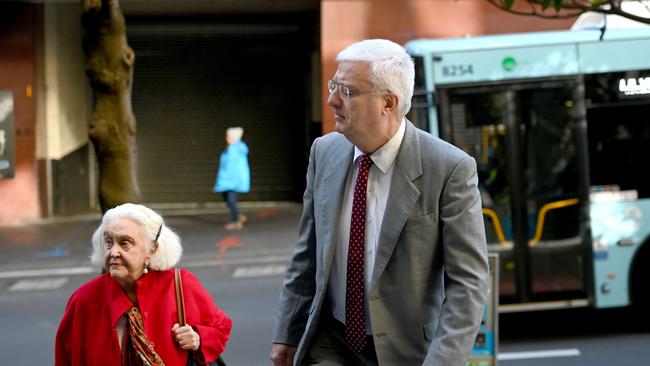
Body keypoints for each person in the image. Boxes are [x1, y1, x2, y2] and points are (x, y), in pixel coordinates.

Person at [270, 39, 488, 365]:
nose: (331, 100)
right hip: (331, 342)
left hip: (407, 351)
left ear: (388, 102)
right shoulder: (324, 152)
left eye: (347, 92)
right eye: (333, 86)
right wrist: (287, 331)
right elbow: (307, 254)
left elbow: (468, 284)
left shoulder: (449, 168)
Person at [55, 203, 232, 365]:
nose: (113, 251)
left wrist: (198, 338)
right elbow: (66, 357)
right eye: (109, 242)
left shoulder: (181, 284)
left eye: (125, 243)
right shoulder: (84, 299)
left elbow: (220, 327)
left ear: (152, 250)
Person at [214, 127, 250, 231]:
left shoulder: (235, 149)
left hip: (232, 181)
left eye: (228, 136)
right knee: (228, 199)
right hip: (228, 180)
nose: (226, 138)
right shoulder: (232, 148)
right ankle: (238, 216)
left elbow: (232, 167)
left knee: (231, 200)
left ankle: (236, 221)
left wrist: (228, 181)